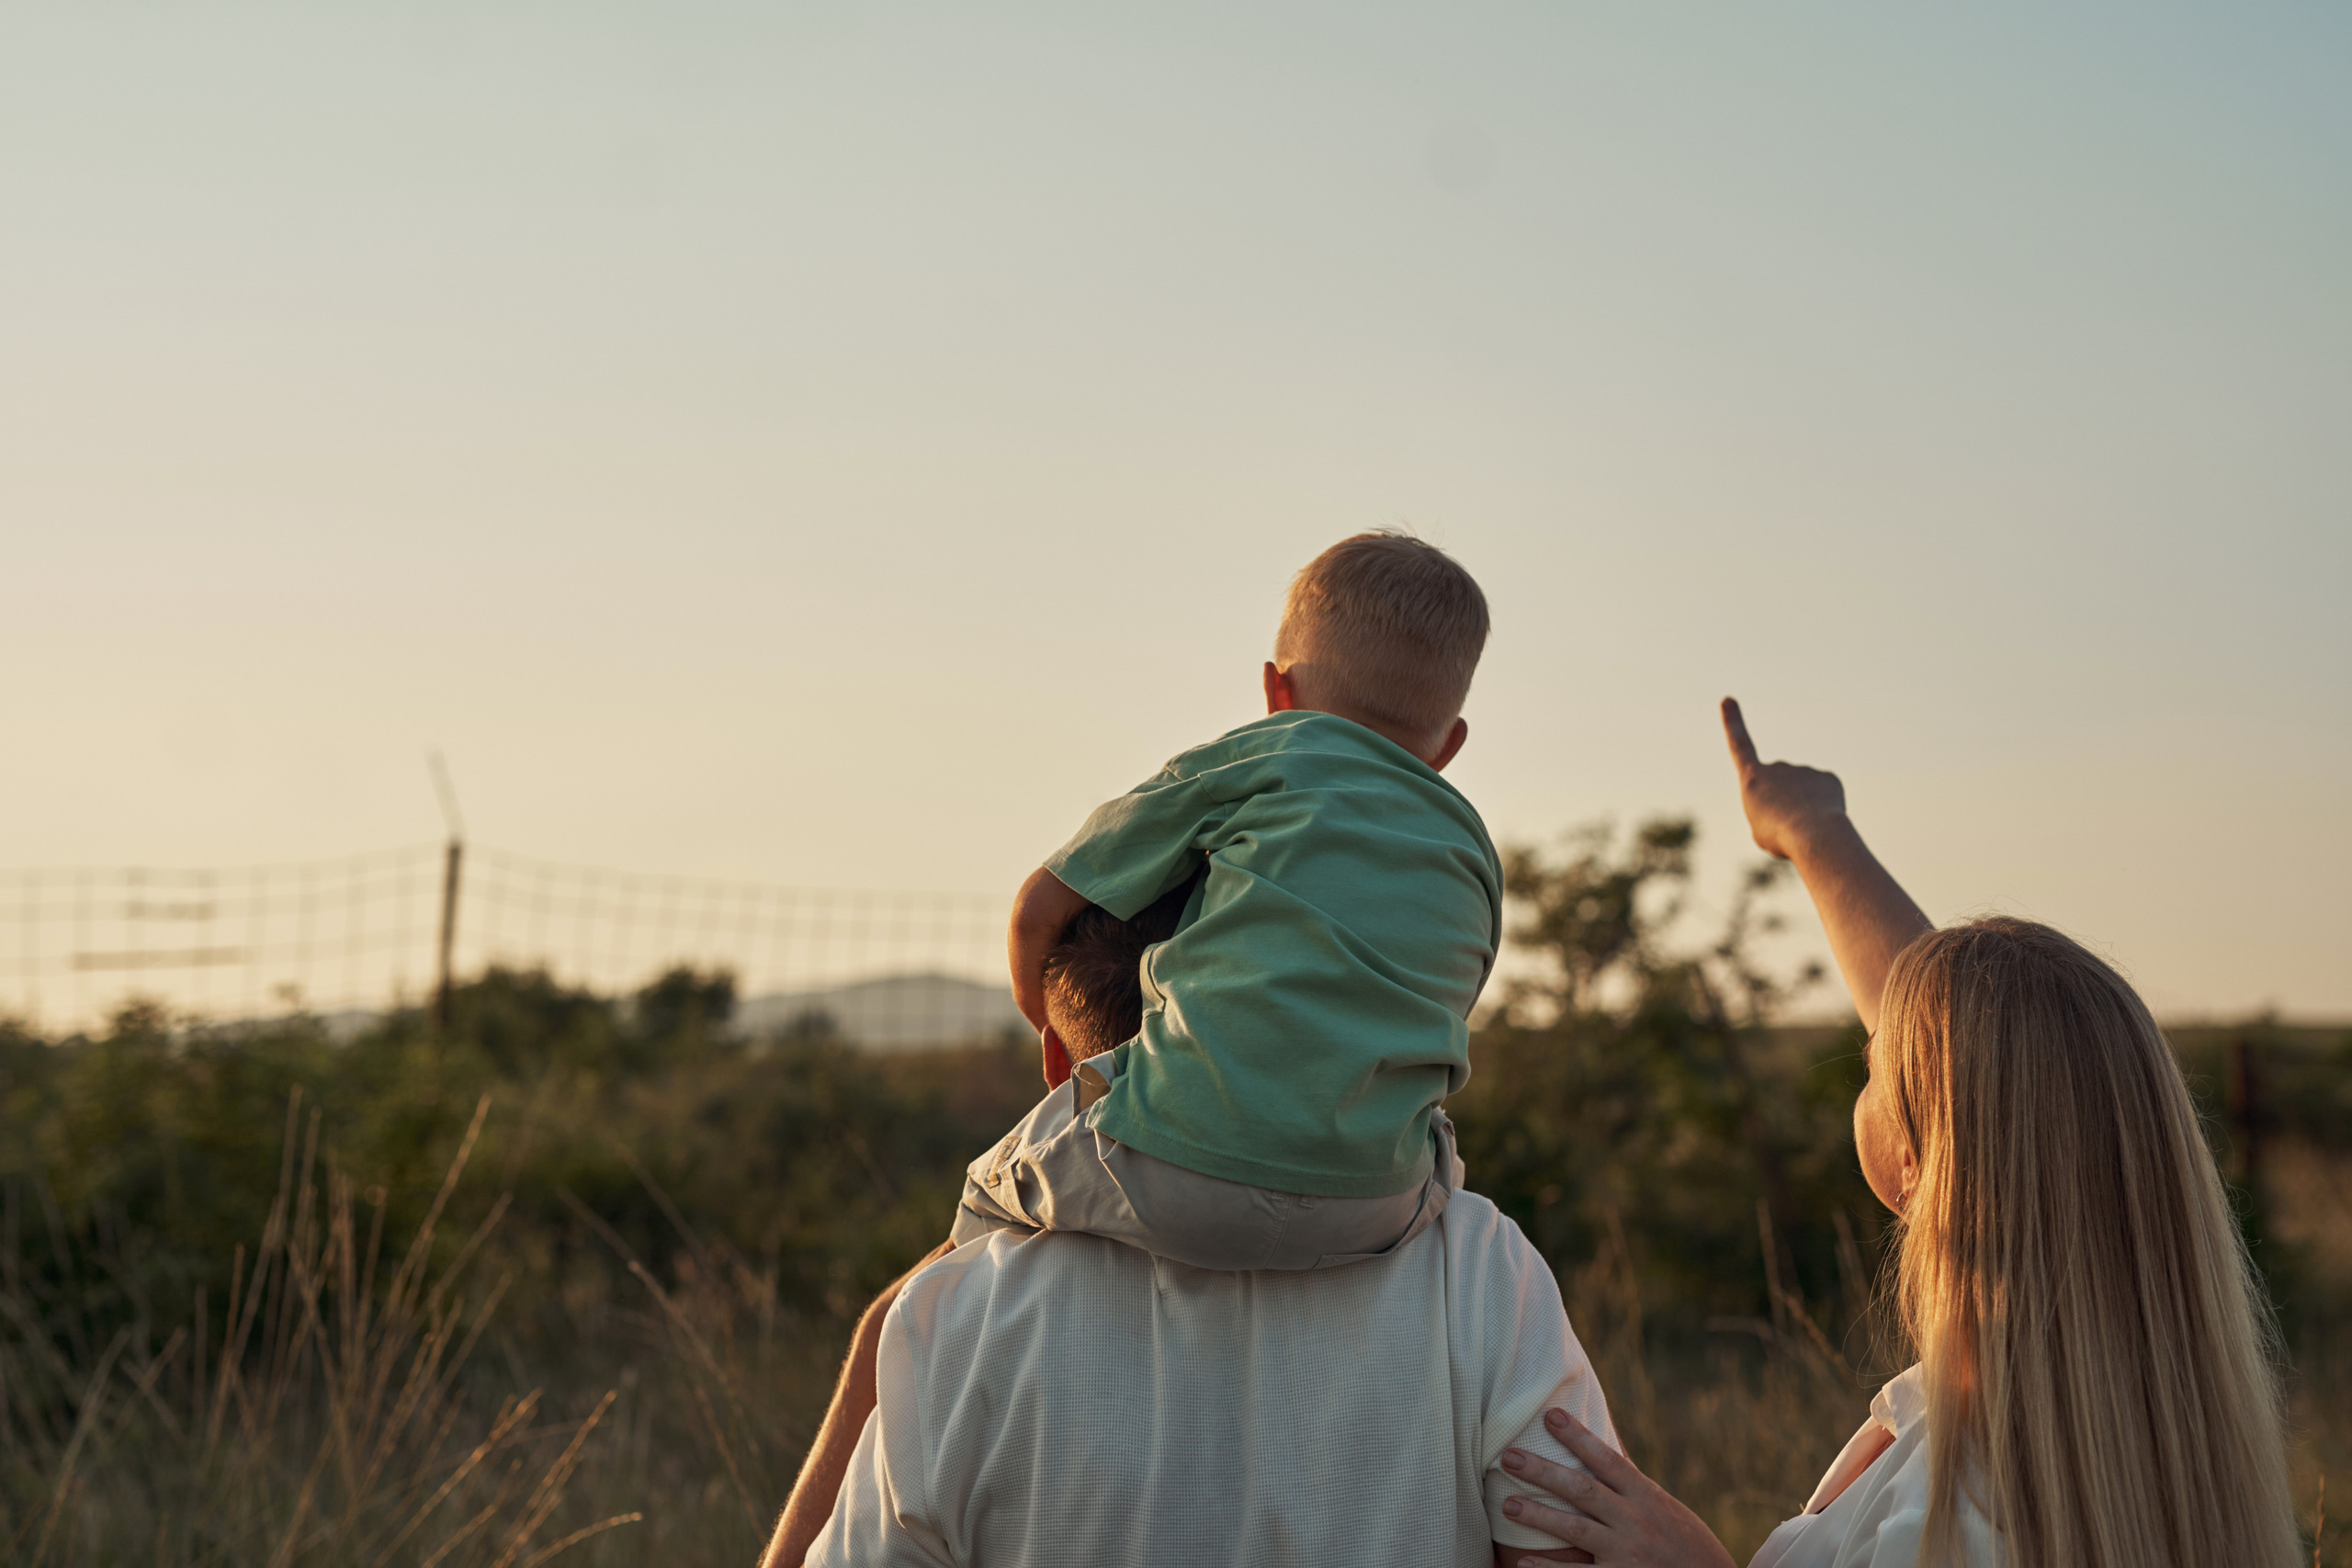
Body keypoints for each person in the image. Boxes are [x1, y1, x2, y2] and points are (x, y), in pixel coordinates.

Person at [1489, 698, 2303, 1568]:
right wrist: (1814, 832)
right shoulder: (2142, 1435)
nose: (1868, 1041)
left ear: (1919, 1161)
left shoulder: (1946, 1521)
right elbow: (1978, 1067)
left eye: (1875, 1062)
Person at [762, 898, 1617, 1568]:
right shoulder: (1479, 1266)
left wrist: (884, 1339)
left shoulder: (951, 1321)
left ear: (1059, 1064)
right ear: (1275, 1027)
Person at [970, 529, 1503, 1269]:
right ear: (1449, 746)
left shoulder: (1262, 757)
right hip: (1376, 1207)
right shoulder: (1471, 847)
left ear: (1277, 693)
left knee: (984, 1198)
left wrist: (1052, 1031)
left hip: (1176, 1166)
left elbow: (1039, 909)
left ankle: (908, 1331)